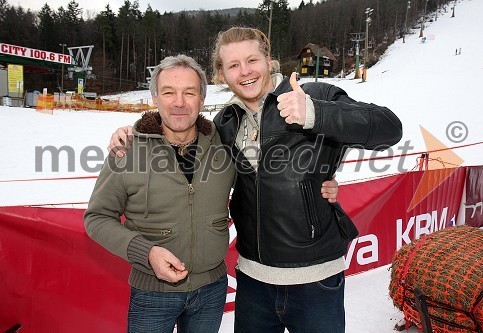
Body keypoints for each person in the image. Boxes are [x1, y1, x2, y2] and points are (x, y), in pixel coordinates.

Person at [108, 26, 400, 333]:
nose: (245, 72)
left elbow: (388, 128)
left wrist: (316, 114)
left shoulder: (313, 95)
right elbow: (179, 132)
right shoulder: (224, 123)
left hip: (315, 279)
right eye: (233, 65)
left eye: (252, 60)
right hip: (253, 282)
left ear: (269, 60)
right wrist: (134, 134)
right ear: (221, 74)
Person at [84, 55, 237, 333]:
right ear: (155, 98)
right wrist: (147, 253)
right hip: (151, 295)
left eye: (189, 92)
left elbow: (262, 184)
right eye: (168, 92)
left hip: (212, 291)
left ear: (202, 100)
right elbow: (97, 218)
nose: (179, 102)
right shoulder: (127, 151)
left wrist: (324, 183)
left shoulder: (224, 148)